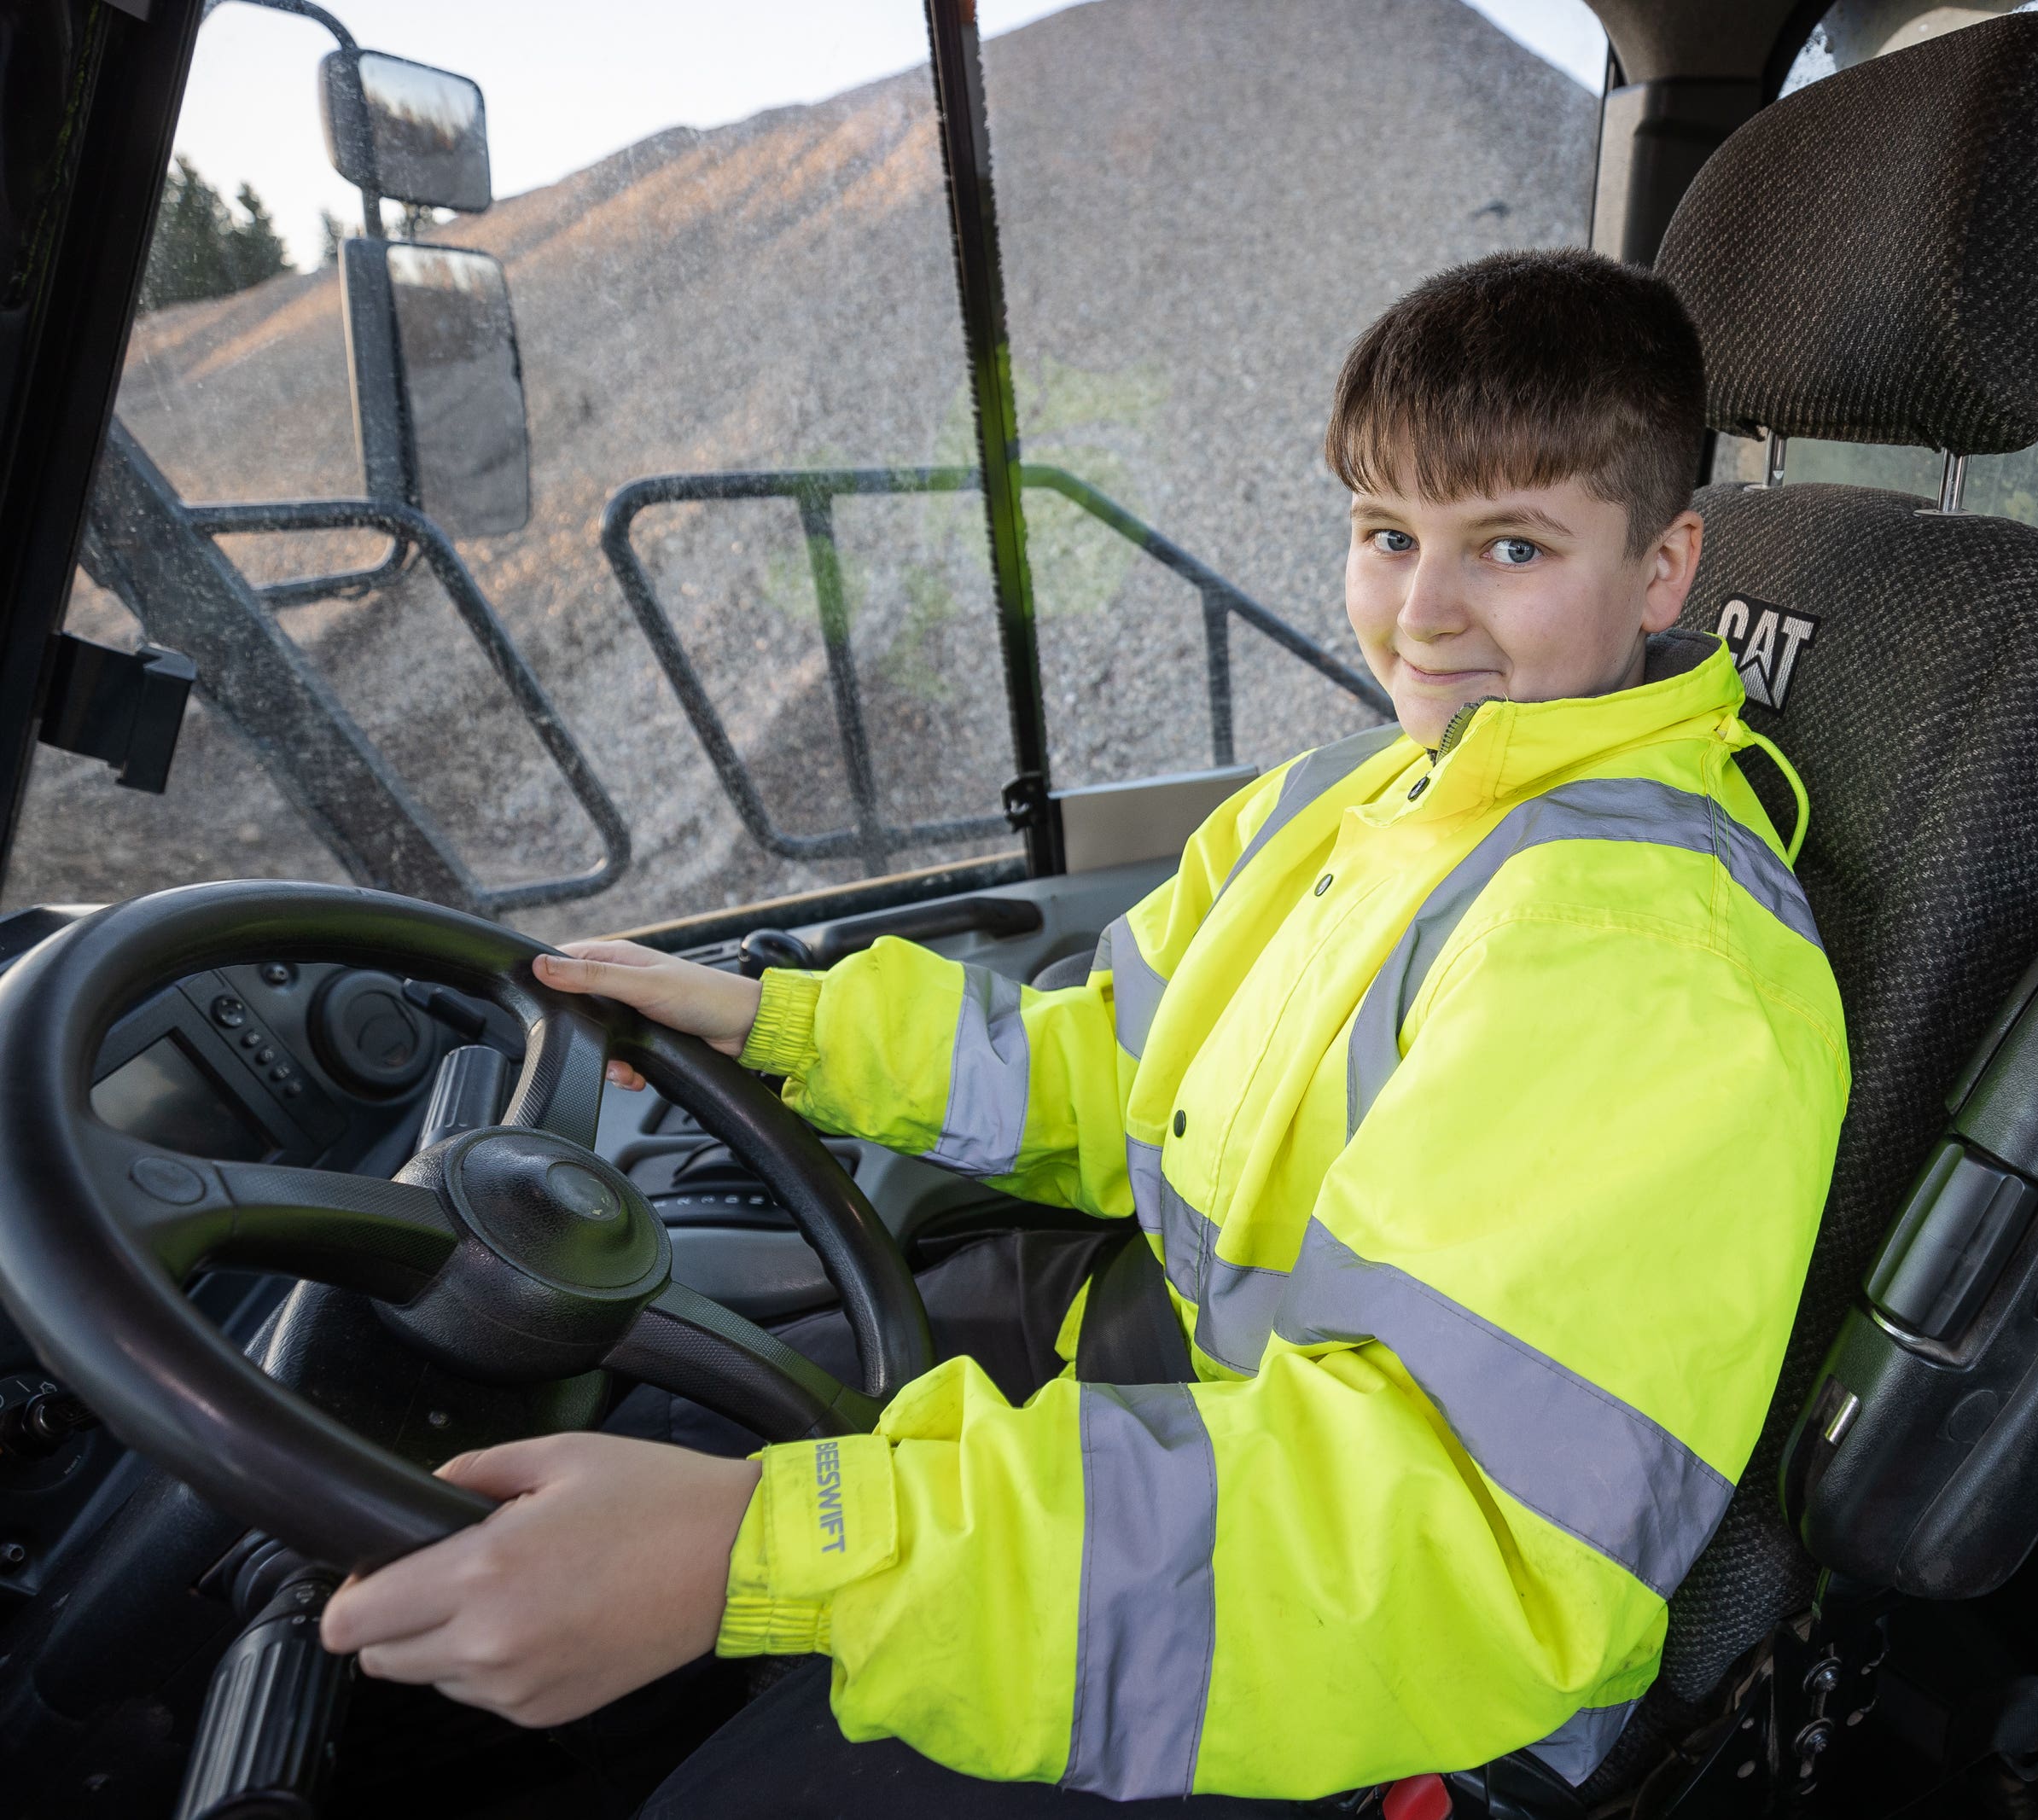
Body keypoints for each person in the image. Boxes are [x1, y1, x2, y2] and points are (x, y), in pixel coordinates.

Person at [319, 247, 1850, 1814]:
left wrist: (776, 1552)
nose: (1425, 615)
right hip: (1200, 1445)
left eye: (1511, 547)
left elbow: (1452, 1552)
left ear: (1665, 572)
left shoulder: (1644, 956)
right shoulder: (1342, 797)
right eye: (1388, 535)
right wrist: (786, 1020)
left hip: (1377, 1686)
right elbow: (1117, 1067)